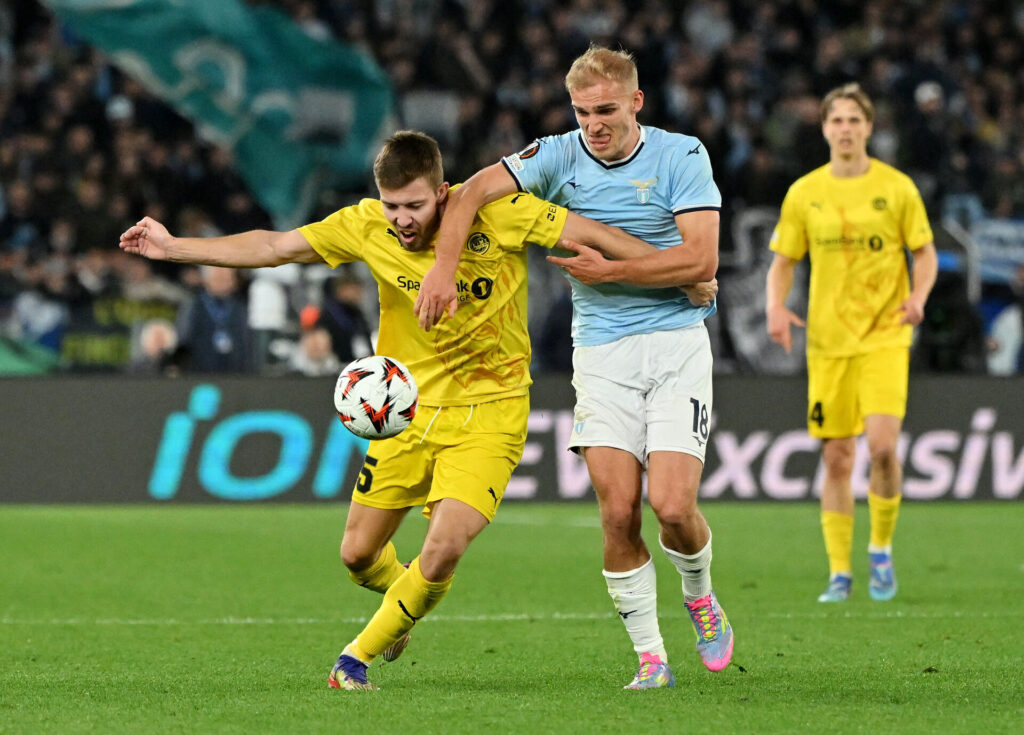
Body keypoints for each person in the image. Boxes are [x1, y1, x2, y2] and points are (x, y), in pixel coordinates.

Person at [119, 130, 706, 691]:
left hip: (490, 413)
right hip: (404, 413)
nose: (401, 218)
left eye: (414, 206)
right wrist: (175, 248)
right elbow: (275, 247)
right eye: (392, 204)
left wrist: (685, 273)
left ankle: (356, 658)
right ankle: (403, 602)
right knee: (357, 556)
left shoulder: (502, 215)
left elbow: (595, 233)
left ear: (443, 194)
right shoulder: (365, 226)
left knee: (446, 545)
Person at [415, 46, 733, 689]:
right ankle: (650, 657)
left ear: (636, 102)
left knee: (672, 507)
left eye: (608, 110)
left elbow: (701, 263)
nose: (595, 124)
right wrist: (444, 269)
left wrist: (614, 271)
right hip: (601, 354)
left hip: (675, 345)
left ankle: (699, 595)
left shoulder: (683, 155)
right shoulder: (557, 154)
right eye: (584, 112)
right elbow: (470, 192)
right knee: (619, 513)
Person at [765, 83, 938, 603]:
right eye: (836, 120)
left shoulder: (897, 188)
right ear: (824, 128)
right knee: (838, 457)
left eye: (854, 120)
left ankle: (880, 548)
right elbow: (783, 262)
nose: (845, 129)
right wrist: (776, 307)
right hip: (828, 342)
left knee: (882, 449)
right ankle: (840, 572)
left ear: (869, 127)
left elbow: (924, 254)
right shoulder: (805, 192)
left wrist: (919, 297)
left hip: (885, 336)